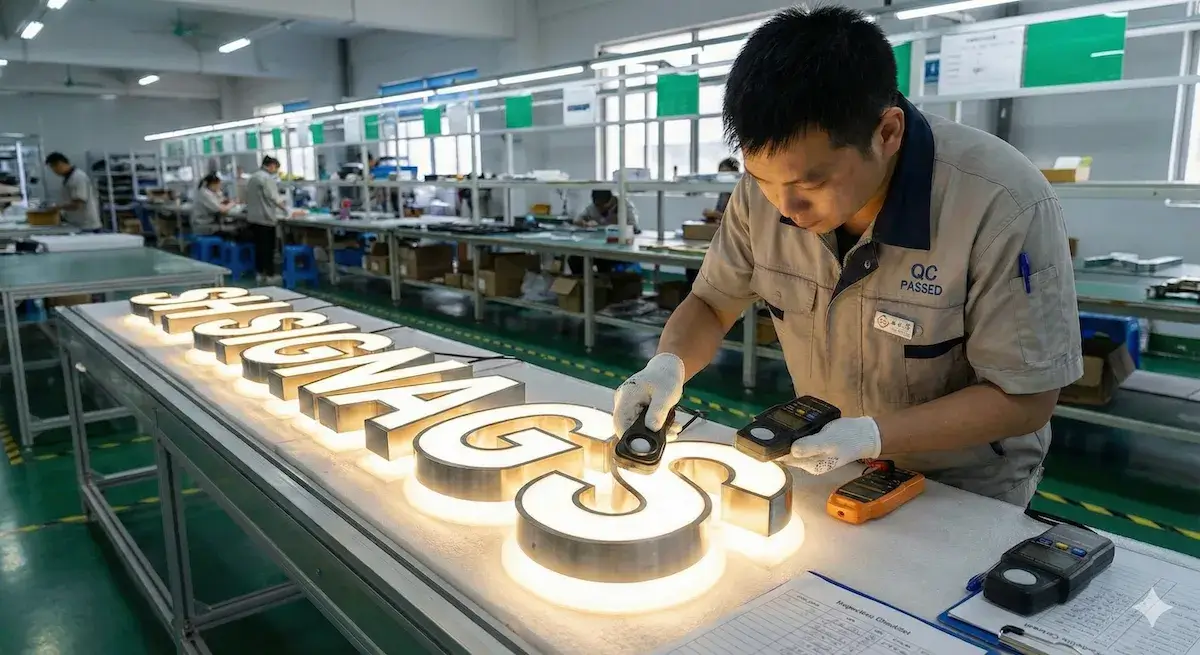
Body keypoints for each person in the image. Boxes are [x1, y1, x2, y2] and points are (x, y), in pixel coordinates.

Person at [612, 6, 1083, 508]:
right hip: (826, 464)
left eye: (809, 183)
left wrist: (872, 436)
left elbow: (1025, 397)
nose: (786, 210)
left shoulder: (1000, 203)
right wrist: (668, 366)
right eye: (764, 181)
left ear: (886, 133)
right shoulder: (764, 191)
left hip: (960, 490)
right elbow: (711, 302)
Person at [686, 157, 741, 287]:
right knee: (691, 266)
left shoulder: (739, 192)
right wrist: (711, 215)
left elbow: (739, 221)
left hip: (732, 242)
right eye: (720, 172)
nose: (722, 176)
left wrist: (716, 214)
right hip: (718, 237)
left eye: (726, 173)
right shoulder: (723, 191)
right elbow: (719, 215)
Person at [569, 189, 640, 274]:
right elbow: (577, 220)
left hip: (619, 248)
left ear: (612, 200)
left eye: (603, 205)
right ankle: (585, 284)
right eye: (597, 205)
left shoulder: (625, 206)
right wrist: (586, 223)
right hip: (599, 248)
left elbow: (634, 228)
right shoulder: (593, 207)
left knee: (606, 264)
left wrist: (618, 227)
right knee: (574, 259)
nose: (600, 209)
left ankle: (604, 283)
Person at [245, 156, 288, 283]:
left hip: (253, 218)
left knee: (259, 248)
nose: (275, 171)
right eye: (276, 168)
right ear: (271, 165)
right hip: (266, 219)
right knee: (268, 248)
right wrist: (288, 210)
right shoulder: (266, 178)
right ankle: (270, 275)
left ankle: (259, 273)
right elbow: (275, 198)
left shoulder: (253, 177)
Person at [44, 152, 102, 232]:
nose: (54, 171)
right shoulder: (68, 178)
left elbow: (78, 203)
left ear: (59, 164)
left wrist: (58, 207)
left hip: (87, 225)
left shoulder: (78, 177)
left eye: (53, 167)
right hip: (76, 223)